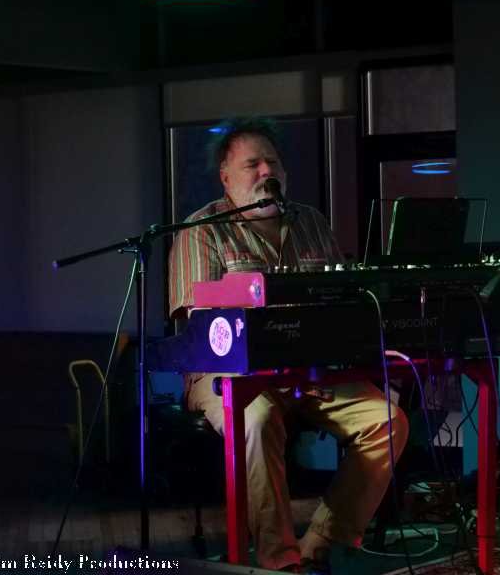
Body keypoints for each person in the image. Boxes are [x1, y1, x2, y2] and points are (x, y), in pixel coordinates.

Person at [168, 117, 409, 573]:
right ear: (225, 177)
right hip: (228, 375)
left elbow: (340, 299)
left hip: (309, 370)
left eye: (273, 163)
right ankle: (279, 561)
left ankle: (322, 542)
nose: (266, 172)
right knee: (255, 418)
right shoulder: (201, 230)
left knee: (388, 421)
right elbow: (197, 325)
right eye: (252, 165)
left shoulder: (310, 222)